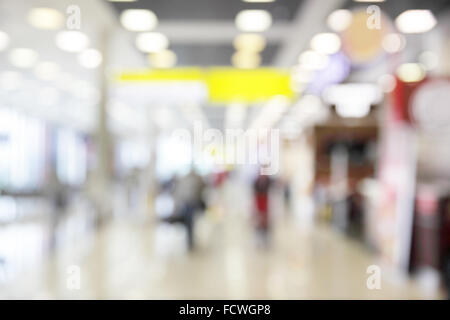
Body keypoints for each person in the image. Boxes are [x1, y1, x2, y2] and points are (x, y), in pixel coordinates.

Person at [252, 171, 273, 248]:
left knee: (265, 221)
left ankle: (265, 238)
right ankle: (258, 238)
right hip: (259, 202)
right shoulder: (256, 181)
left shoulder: (268, 180)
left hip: (265, 202)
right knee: (258, 221)